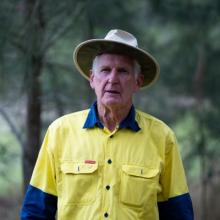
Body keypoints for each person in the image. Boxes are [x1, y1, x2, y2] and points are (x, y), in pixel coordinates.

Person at [20, 29, 194, 220]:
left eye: (122, 71)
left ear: (138, 82)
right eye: (105, 70)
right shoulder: (60, 132)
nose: (112, 79)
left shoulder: (162, 137)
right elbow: (35, 212)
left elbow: (179, 214)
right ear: (92, 79)